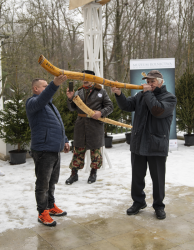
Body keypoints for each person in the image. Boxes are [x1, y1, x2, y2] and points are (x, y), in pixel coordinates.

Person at [111, 70, 176, 220]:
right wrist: (119, 94)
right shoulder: (140, 95)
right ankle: (138, 202)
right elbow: (127, 106)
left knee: (158, 179)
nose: (149, 84)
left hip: (157, 145)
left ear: (161, 82)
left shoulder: (169, 98)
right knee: (137, 177)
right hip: (138, 144)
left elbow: (157, 110)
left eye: (152, 81)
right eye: (148, 81)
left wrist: (148, 94)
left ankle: (159, 206)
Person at [26, 76, 70, 227]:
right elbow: (41, 99)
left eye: (47, 86)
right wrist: (54, 85)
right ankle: (42, 212)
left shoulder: (50, 105)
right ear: (35, 89)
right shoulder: (33, 103)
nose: (47, 88)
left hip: (54, 149)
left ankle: (50, 206)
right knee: (43, 184)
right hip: (43, 149)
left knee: (52, 181)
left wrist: (64, 140)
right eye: (44, 86)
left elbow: (57, 124)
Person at [65, 70, 113, 184]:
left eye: (87, 77)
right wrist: (70, 98)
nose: (85, 80)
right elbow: (72, 108)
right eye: (83, 77)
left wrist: (101, 113)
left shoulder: (101, 91)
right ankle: (74, 174)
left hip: (95, 125)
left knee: (95, 150)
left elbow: (110, 106)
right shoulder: (78, 91)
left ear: (92, 79)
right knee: (78, 149)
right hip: (81, 124)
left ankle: (93, 173)